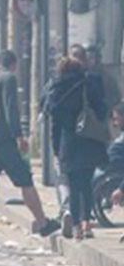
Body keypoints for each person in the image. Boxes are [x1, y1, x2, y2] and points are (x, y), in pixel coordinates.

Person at [0, 50, 60, 238]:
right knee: (25, 180)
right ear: (13, 64)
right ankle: (42, 222)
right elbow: (10, 109)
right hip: (6, 141)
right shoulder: (8, 78)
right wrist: (19, 135)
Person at [44, 55, 108, 240]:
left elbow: (55, 122)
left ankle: (76, 227)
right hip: (88, 138)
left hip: (68, 140)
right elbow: (101, 110)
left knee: (73, 185)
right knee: (87, 183)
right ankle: (87, 222)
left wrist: (56, 147)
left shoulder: (57, 89)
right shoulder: (88, 83)